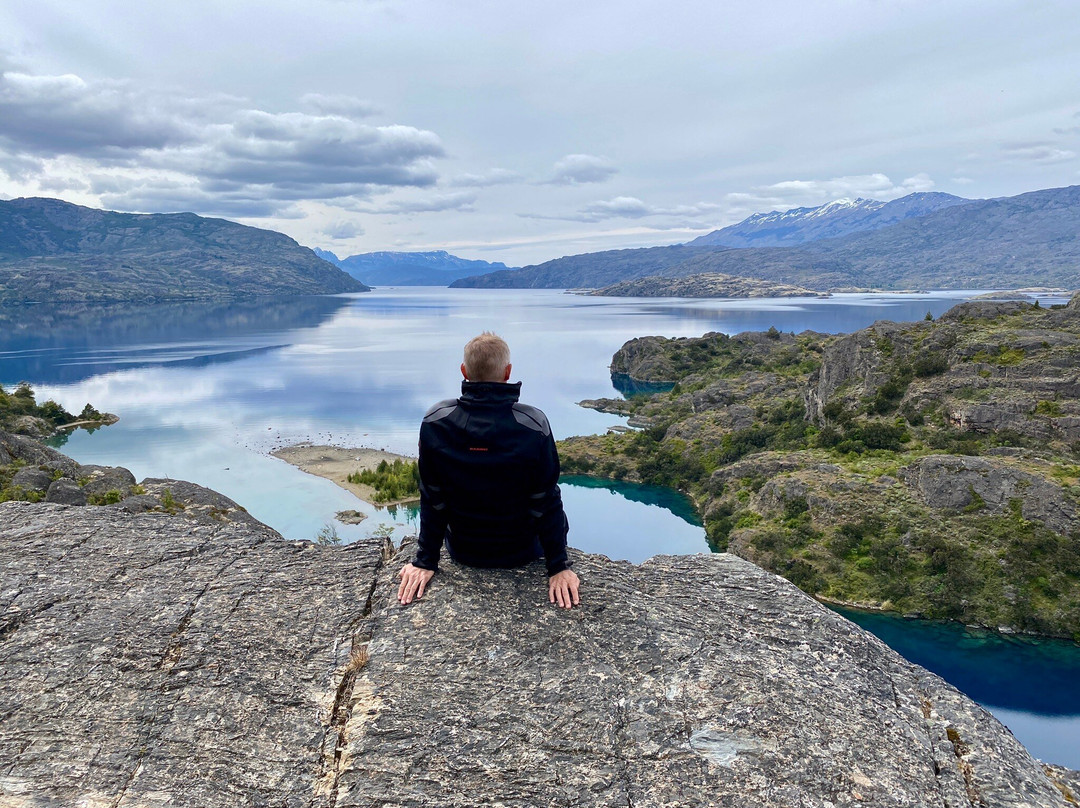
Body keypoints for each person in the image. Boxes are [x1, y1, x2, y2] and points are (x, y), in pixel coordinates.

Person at [397, 332, 581, 609]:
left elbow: (432, 496)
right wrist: (559, 567)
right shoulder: (533, 424)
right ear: (508, 373)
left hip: (464, 551)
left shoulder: (436, 421)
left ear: (464, 372)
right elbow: (547, 500)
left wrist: (425, 560)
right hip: (524, 551)